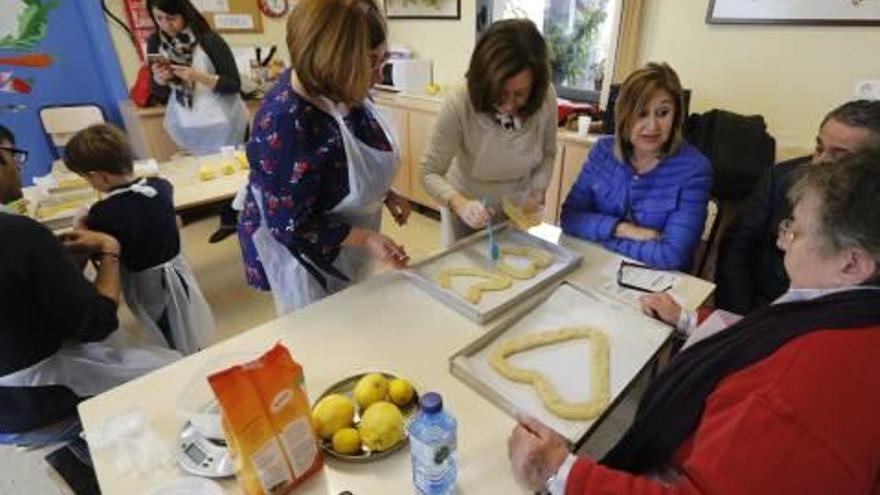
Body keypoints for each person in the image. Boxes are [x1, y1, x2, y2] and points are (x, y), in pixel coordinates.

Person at [508, 150, 880, 493]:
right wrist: (690, 319)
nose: (782, 242)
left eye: (795, 230)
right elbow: (764, 341)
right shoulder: (847, 316)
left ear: (851, 264)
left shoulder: (792, 400)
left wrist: (560, 471)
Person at [0, 125, 179, 446]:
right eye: (14, 157)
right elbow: (96, 323)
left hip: (8, 408)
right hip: (35, 398)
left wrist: (55, 264)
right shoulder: (18, 234)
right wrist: (109, 250)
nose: (17, 168)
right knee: (175, 371)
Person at [236, 0, 410, 316]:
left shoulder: (343, 86)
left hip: (345, 229)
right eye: (368, 63)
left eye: (381, 60)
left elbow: (349, 160)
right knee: (321, 323)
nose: (375, 77)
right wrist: (367, 238)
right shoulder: (286, 123)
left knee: (352, 309)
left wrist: (384, 192)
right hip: (303, 249)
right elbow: (292, 222)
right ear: (328, 62)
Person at [715, 99, 880, 314]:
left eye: (841, 157)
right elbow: (737, 246)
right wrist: (735, 316)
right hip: (757, 305)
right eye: (819, 148)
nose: (820, 162)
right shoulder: (780, 178)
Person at [64, 124, 214, 355]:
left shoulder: (103, 214)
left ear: (99, 176)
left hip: (148, 283)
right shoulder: (161, 187)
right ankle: (192, 350)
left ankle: (184, 358)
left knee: (164, 325)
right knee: (184, 317)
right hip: (178, 270)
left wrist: (80, 223)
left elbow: (95, 248)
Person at [560, 63, 711, 271]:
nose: (652, 126)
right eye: (641, 113)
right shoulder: (603, 151)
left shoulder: (694, 169)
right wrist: (623, 229)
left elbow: (672, 255)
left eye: (663, 112)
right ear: (624, 115)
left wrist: (600, 236)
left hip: (658, 284)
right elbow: (570, 218)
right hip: (597, 268)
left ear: (676, 115)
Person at [420, 19, 557, 245]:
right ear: (484, 81)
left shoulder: (545, 97)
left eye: (520, 94)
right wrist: (460, 204)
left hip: (517, 210)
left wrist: (538, 189)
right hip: (468, 208)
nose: (510, 105)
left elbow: (549, 152)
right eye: (501, 92)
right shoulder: (459, 102)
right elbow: (429, 172)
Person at [146, 0, 248, 244]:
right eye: (159, 18)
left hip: (223, 119)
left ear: (185, 14)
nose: (165, 25)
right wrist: (158, 80)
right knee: (200, 172)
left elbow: (233, 84)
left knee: (231, 174)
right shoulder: (155, 42)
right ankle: (219, 218)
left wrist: (197, 76)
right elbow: (157, 93)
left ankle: (234, 220)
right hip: (187, 120)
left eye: (171, 18)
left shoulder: (208, 39)